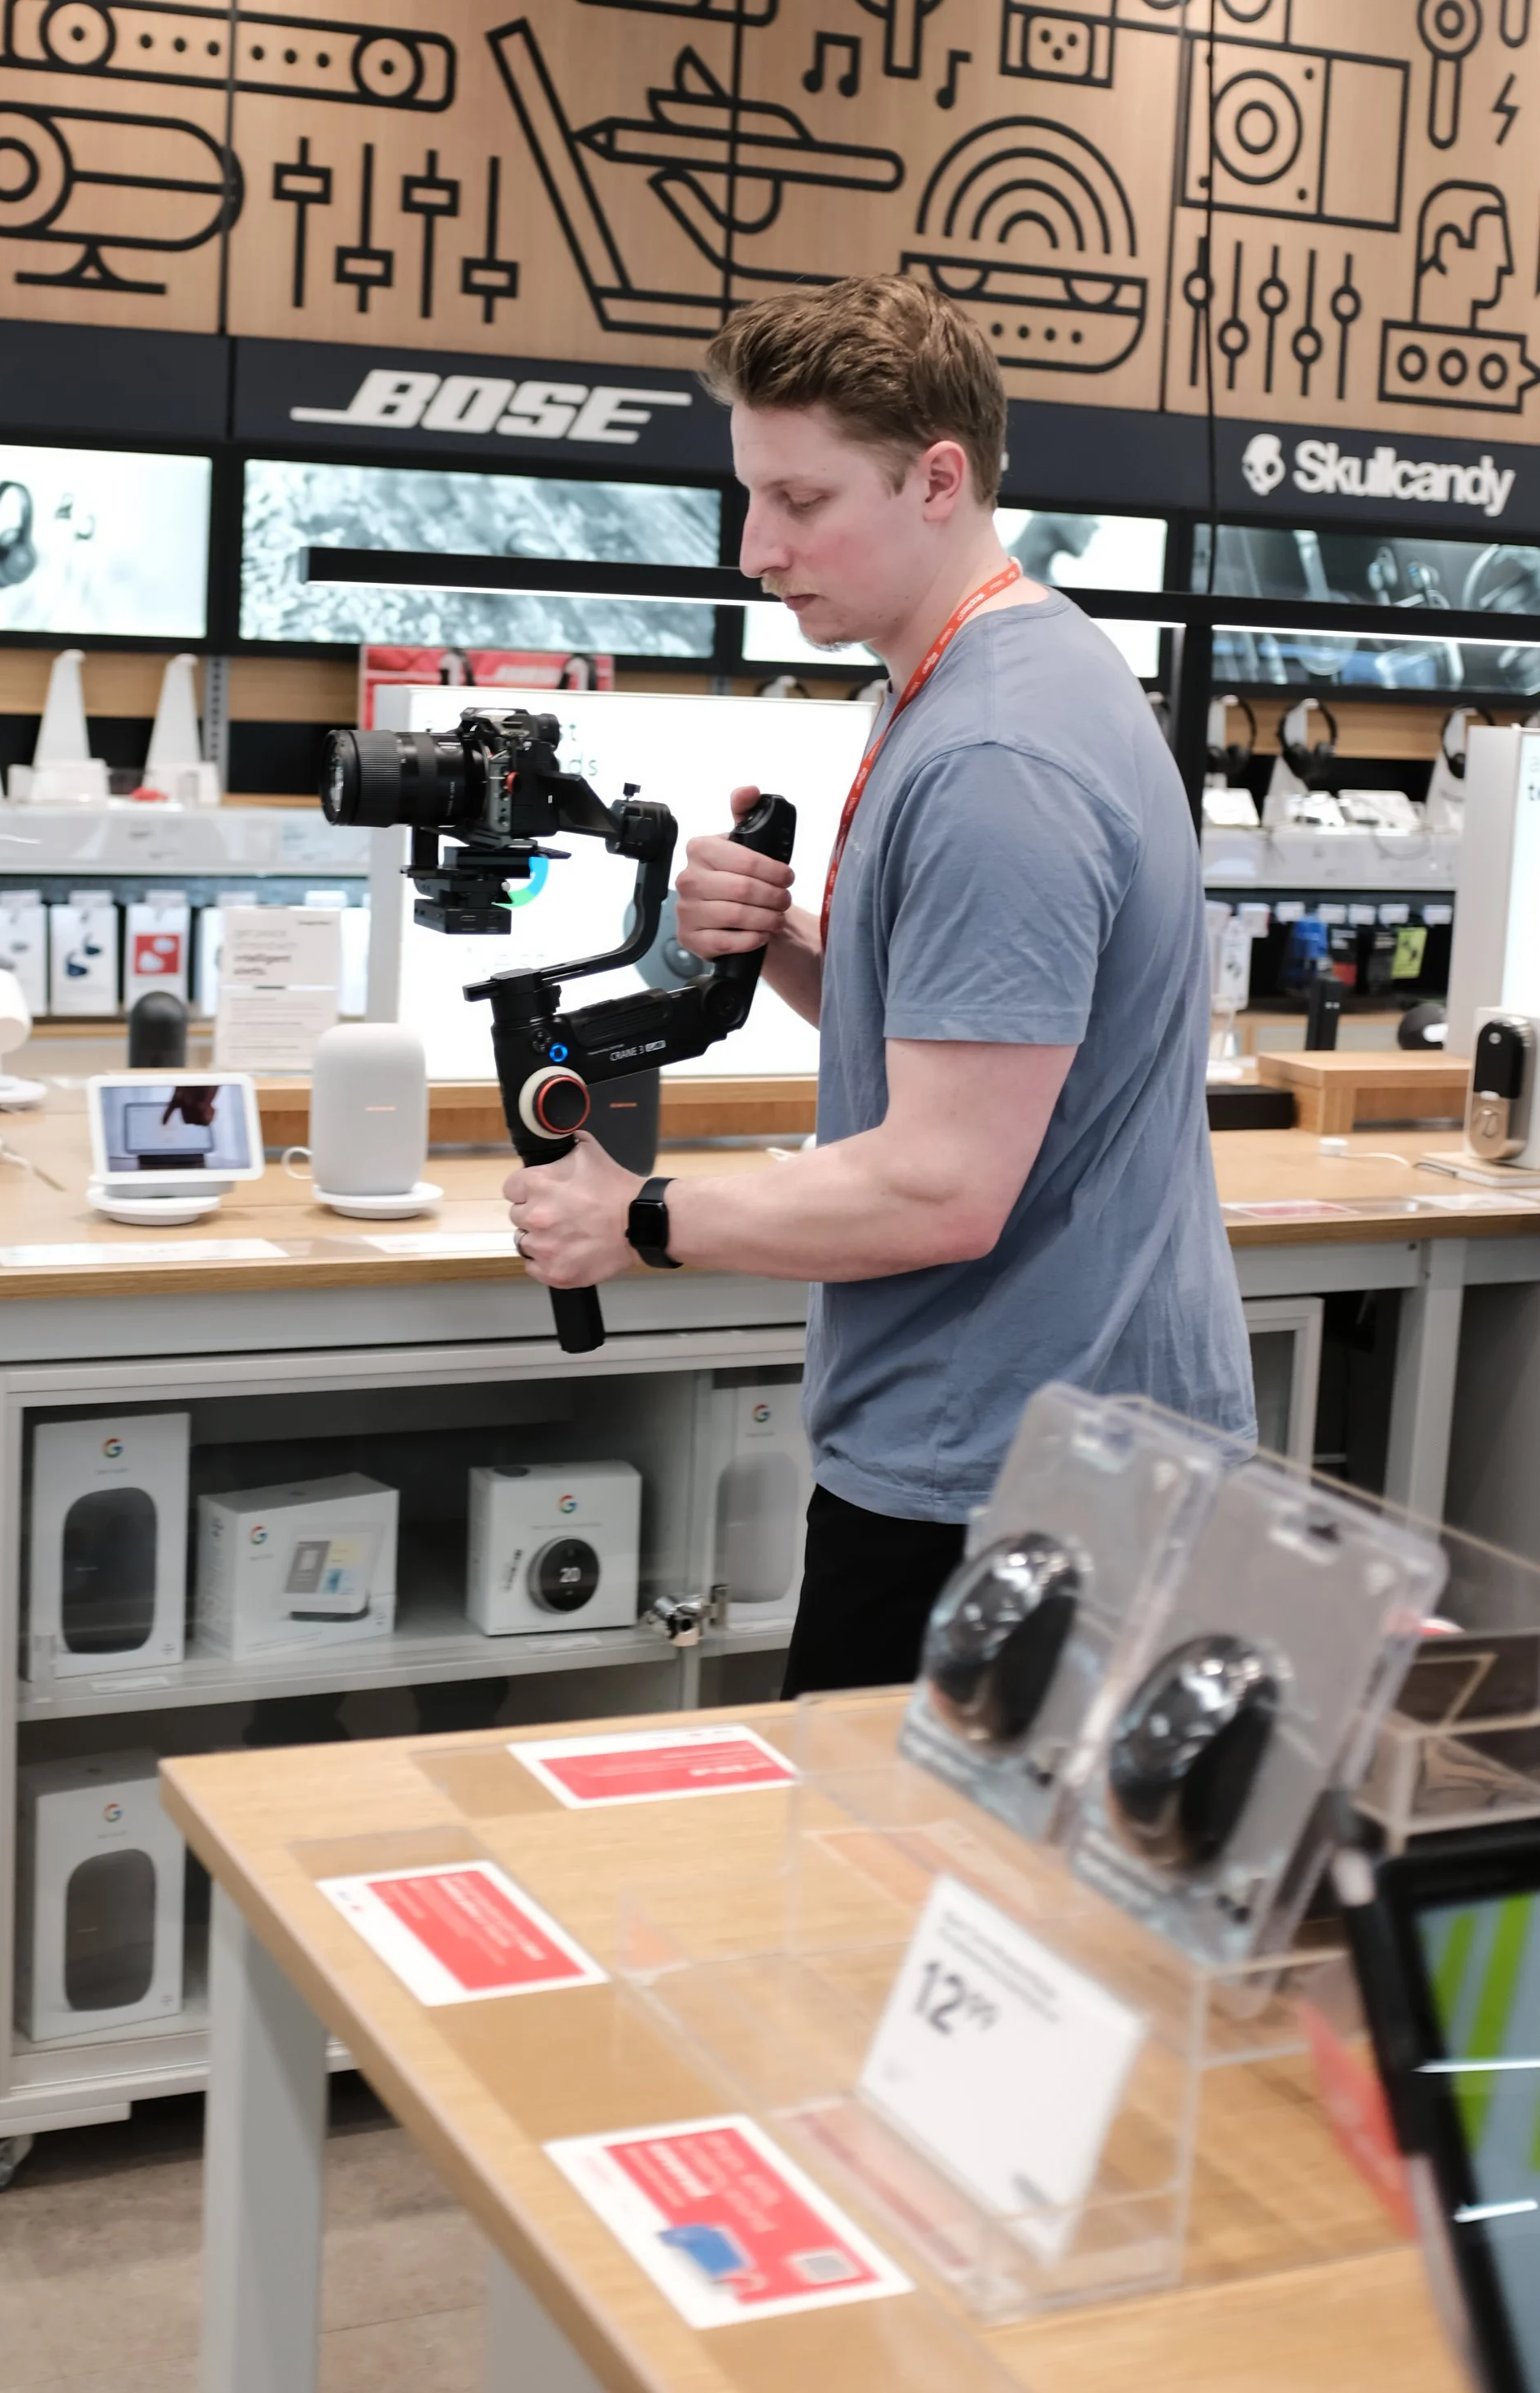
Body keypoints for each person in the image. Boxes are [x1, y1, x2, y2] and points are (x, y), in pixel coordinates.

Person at [503, 275, 1255, 1695]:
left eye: (800, 500)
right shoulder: (976, 683)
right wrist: (780, 942)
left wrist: (639, 1215)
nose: (754, 549)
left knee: (888, 1902)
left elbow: (942, 1183)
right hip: (1033, 1449)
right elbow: (972, 1049)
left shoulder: (993, 760)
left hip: (1009, 1489)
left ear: (938, 477)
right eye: (749, 497)